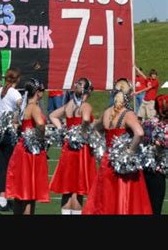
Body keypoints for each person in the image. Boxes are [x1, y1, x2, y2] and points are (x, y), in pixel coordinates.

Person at [83, 80, 152, 214]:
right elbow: (140, 133)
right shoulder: (128, 114)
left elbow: (96, 129)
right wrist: (130, 151)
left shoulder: (107, 112)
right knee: (124, 202)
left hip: (107, 163)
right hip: (124, 167)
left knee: (106, 203)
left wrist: (102, 148)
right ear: (130, 95)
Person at [49, 77, 97, 215]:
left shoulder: (69, 104)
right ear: (87, 91)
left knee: (67, 188)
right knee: (78, 190)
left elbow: (52, 115)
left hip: (68, 149)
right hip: (81, 151)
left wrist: (64, 131)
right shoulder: (85, 106)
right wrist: (84, 133)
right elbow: (86, 119)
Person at [6, 78, 50, 216]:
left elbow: (15, 122)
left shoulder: (24, 107)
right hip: (30, 153)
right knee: (29, 195)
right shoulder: (34, 107)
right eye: (42, 90)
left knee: (20, 193)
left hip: (21, 149)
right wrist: (41, 139)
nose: (43, 92)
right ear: (37, 92)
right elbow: (40, 125)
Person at [0, 68, 22, 212]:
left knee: (0, 165)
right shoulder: (14, 93)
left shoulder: (0, 92)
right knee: (6, 166)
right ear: (17, 79)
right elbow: (21, 107)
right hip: (8, 132)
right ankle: (3, 199)